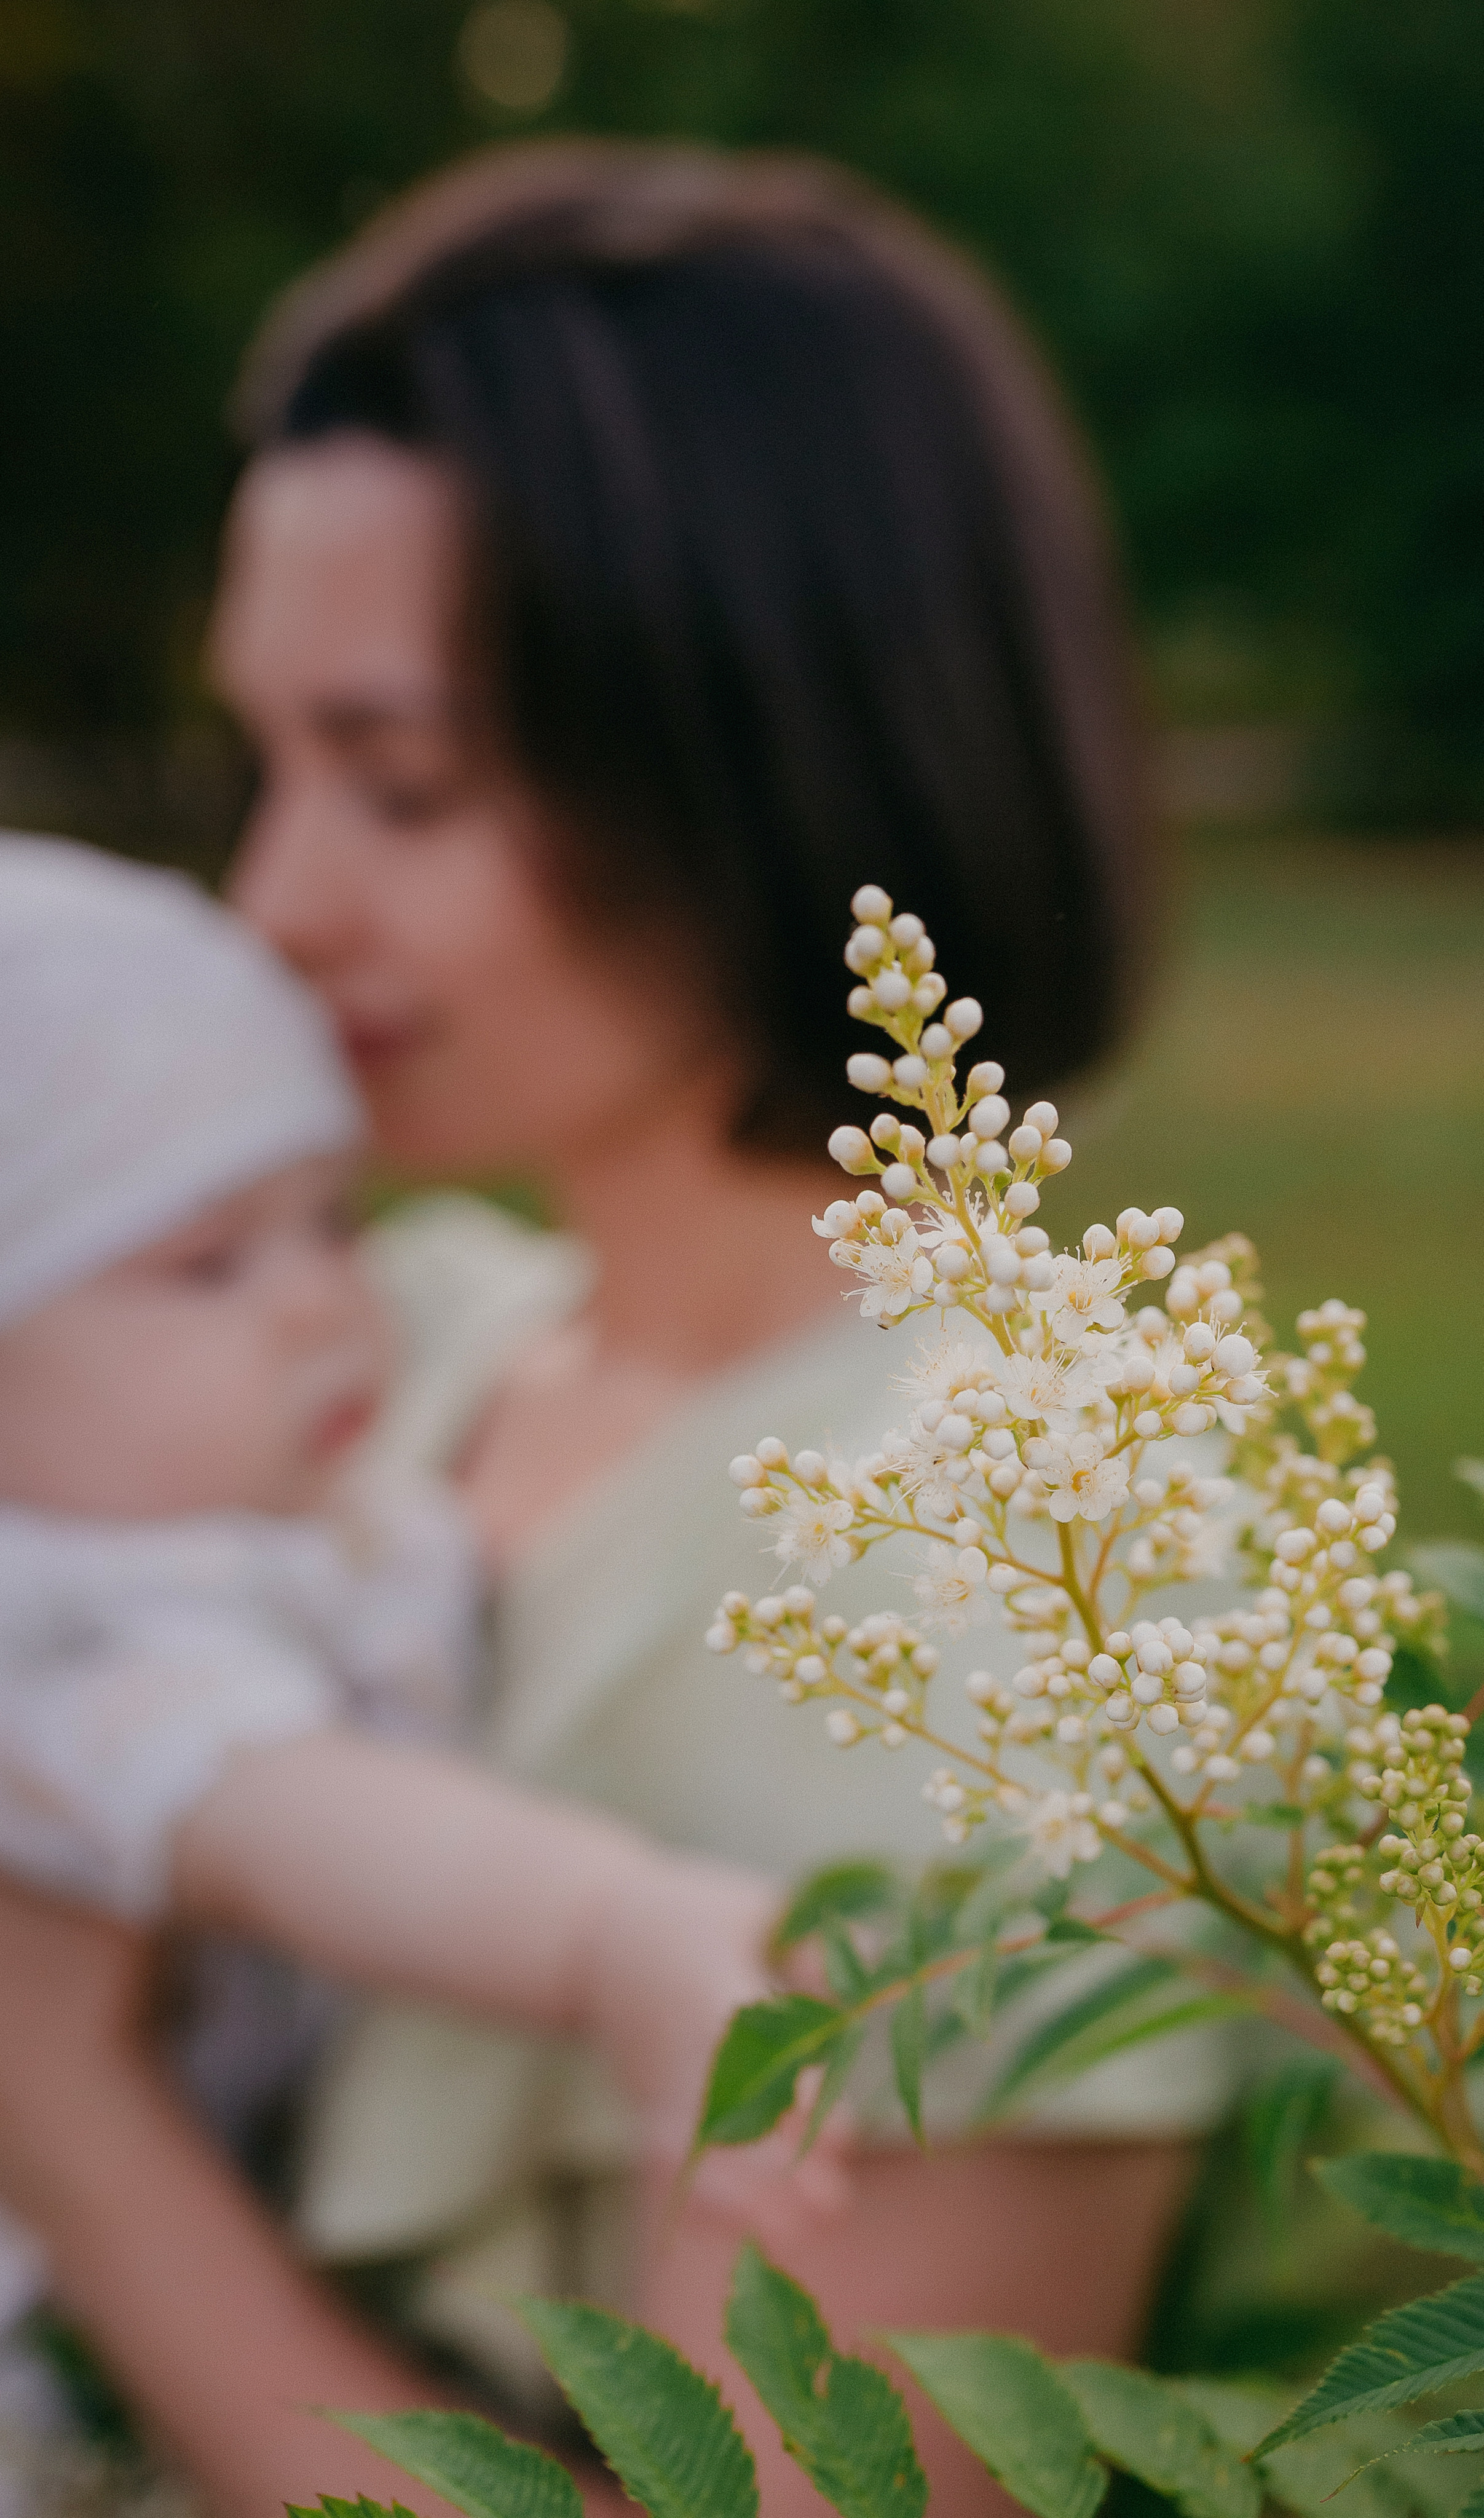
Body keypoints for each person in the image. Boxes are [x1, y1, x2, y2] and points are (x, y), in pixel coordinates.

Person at [0, 142, 1226, 2517]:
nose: (274, 900)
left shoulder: (1048, 1567)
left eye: (402, 780)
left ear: (751, 744)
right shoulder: (400, 1342)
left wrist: (60, 2101)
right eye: (271, 764)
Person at [0, 832, 778, 2505]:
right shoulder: (58, 1630)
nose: (319, 1309)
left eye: (331, 1218)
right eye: (205, 1265)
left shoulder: (264, 1518)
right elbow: (297, 1820)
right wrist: (618, 1934)